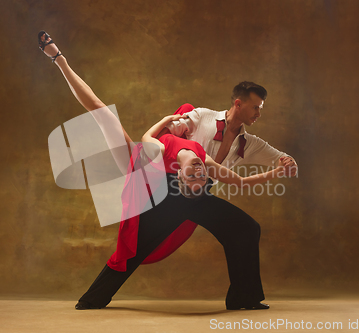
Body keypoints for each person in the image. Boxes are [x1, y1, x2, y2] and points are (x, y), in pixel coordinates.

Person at [38, 31, 295, 310]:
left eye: (261, 108)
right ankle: (93, 299)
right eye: (255, 107)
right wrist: (171, 123)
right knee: (133, 247)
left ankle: (243, 297)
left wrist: (283, 167)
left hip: (199, 196)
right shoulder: (192, 128)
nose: (258, 112)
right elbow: (166, 130)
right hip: (162, 191)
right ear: (238, 103)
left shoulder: (212, 161)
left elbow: (244, 179)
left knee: (246, 228)